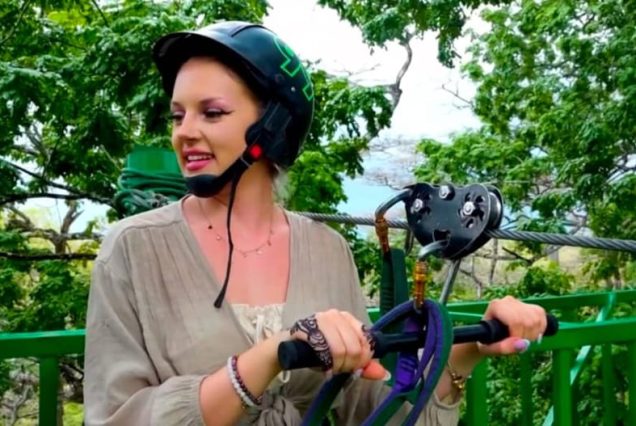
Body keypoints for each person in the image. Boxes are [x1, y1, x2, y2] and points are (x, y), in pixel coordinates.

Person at [83, 21, 548, 426]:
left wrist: (468, 351)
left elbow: (371, 410)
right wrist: (269, 356)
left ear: (273, 125)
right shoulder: (132, 247)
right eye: (178, 115)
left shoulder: (326, 249)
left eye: (213, 113)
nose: (184, 132)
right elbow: (114, 416)